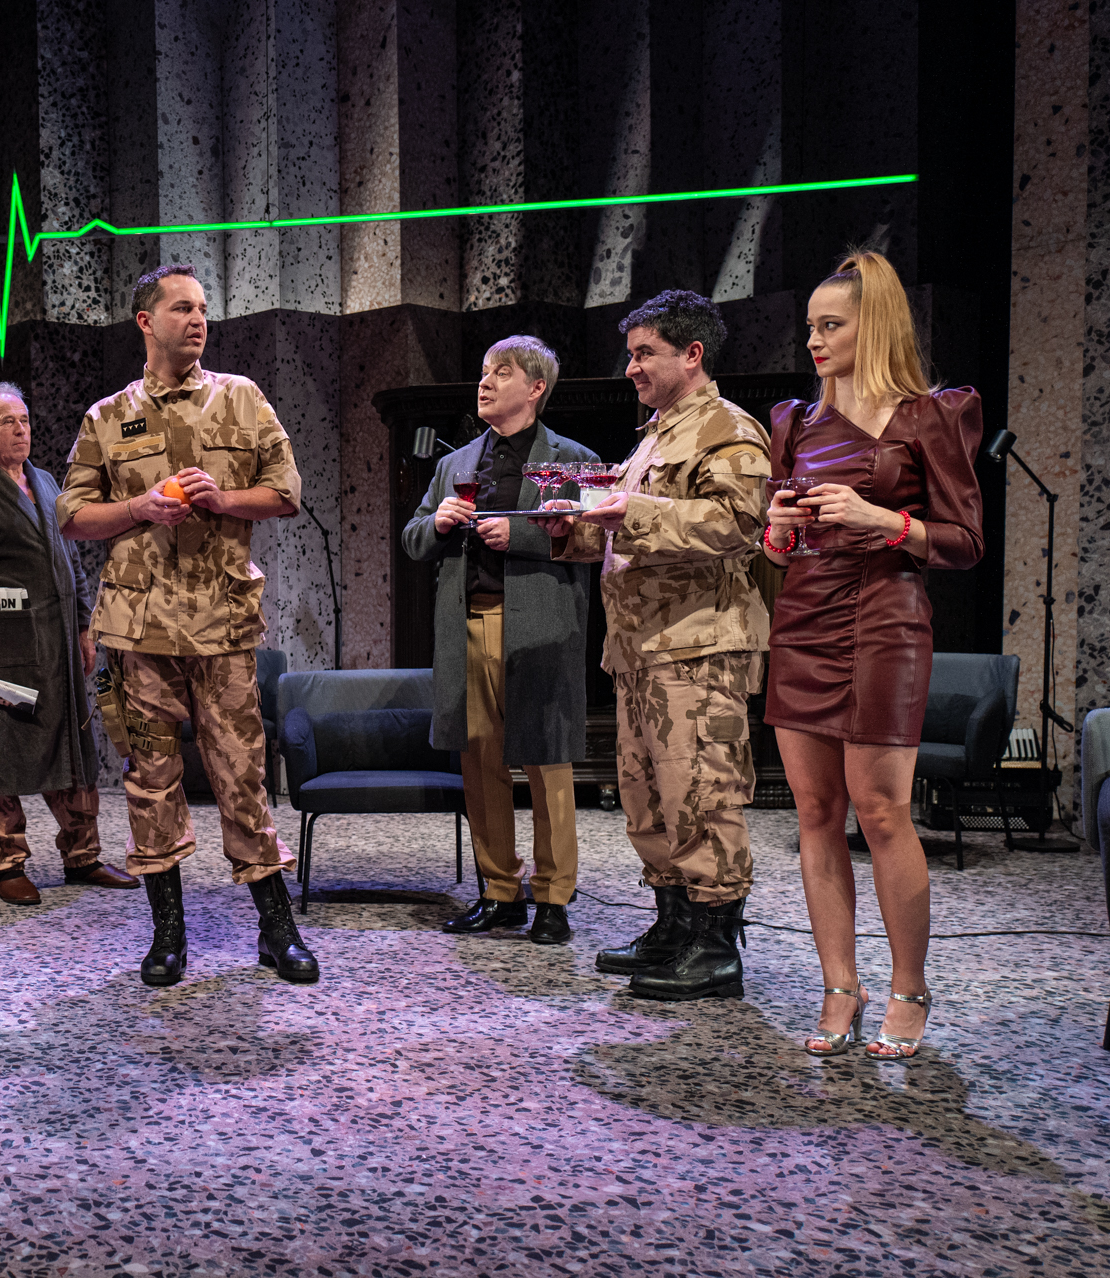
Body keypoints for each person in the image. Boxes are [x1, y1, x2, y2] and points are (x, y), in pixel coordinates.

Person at [57, 263, 309, 987]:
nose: (197, 320)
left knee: (243, 775)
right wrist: (138, 509)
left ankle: (276, 929)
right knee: (152, 780)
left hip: (223, 626)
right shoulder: (108, 416)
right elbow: (71, 515)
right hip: (139, 631)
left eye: (202, 309)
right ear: (146, 322)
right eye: (181, 309)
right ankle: (168, 933)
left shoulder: (242, 398)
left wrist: (223, 499)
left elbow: (287, 492)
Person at [763, 250, 983, 1060]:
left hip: (887, 619)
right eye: (811, 326)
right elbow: (778, 545)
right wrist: (777, 532)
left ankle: (909, 987)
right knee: (815, 812)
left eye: (831, 325)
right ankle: (838, 985)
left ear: (876, 326)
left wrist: (880, 519)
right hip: (804, 618)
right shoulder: (795, 422)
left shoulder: (933, 416)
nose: (814, 340)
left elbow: (964, 541)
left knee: (882, 810)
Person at [540, 289, 770, 1001]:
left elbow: (739, 522)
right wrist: (574, 527)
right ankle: (673, 926)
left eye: (646, 353)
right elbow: (628, 533)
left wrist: (631, 509)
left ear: (692, 354)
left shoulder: (728, 429)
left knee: (701, 792)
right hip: (640, 648)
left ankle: (716, 947)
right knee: (648, 797)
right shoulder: (656, 435)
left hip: (697, 645)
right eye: (631, 353)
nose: (632, 367)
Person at [400, 336, 593, 944]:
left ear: (535, 388)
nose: (484, 382)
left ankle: (553, 898)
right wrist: (436, 523)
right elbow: (411, 537)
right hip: (469, 623)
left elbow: (595, 541)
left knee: (546, 760)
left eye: (500, 373)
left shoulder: (572, 458)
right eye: (483, 371)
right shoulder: (455, 463)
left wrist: (526, 538)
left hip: (537, 625)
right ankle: (499, 891)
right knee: (480, 759)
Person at [0, 382, 140, 904]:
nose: (20, 429)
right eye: (8, 421)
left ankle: (83, 856)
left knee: (73, 750)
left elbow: (72, 560)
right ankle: (9, 866)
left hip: (59, 646)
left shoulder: (46, 483)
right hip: (5, 652)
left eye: (24, 420)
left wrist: (85, 627)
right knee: (1, 754)